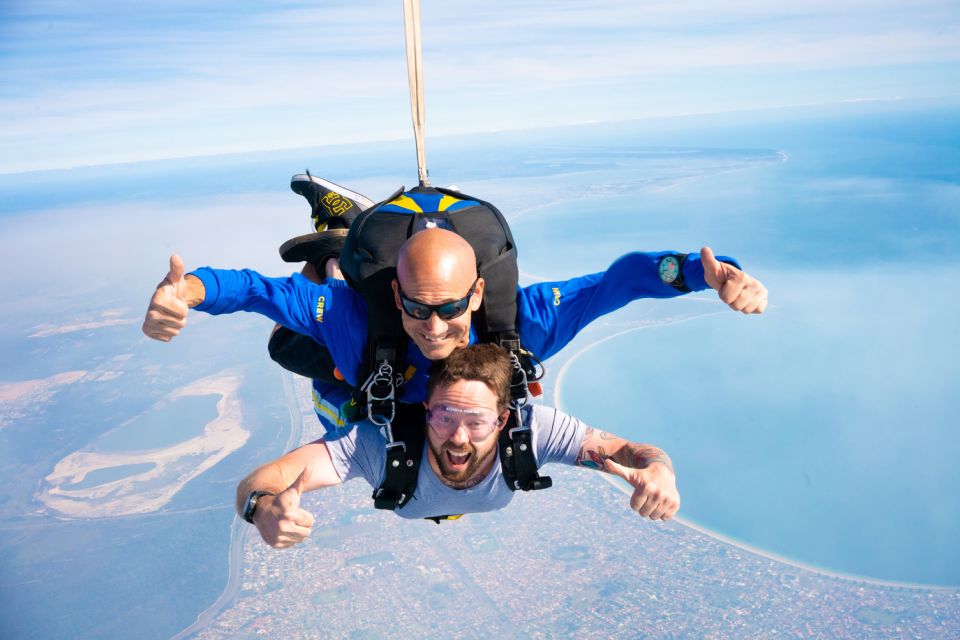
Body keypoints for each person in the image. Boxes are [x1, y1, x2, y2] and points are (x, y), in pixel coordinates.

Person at [142, 202, 768, 409]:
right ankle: (338, 244)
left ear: (477, 293)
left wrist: (701, 272)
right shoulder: (358, 319)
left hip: (392, 367)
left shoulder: (523, 323)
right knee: (293, 352)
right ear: (395, 296)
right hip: (355, 341)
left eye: (449, 309)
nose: (435, 328)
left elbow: (618, 282)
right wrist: (185, 292)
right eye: (417, 309)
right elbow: (254, 288)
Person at [236, 344, 680, 548]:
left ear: (504, 420)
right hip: (345, 402)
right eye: (445, 417)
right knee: (334, 385)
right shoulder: (379, 443)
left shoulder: (532, 432)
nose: (459, 436)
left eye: (478, 422)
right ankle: (336, 262)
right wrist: (264, 508)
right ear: (425, 408)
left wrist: (660, 471)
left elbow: (632, 452)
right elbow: (263, 481)